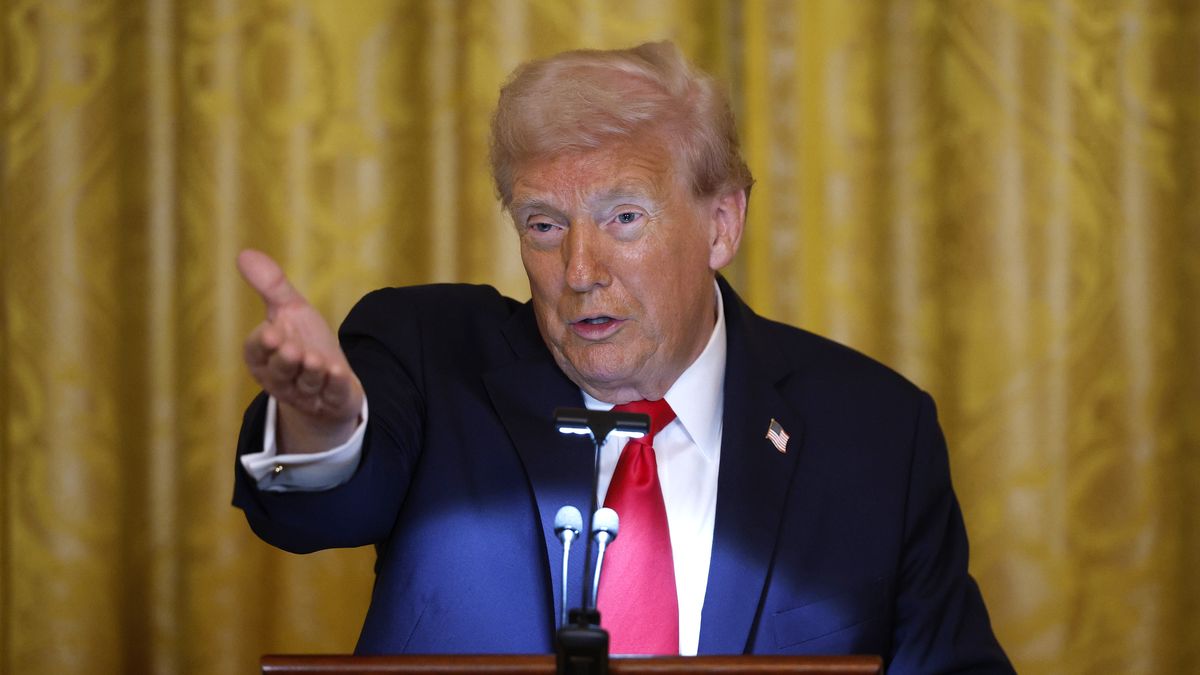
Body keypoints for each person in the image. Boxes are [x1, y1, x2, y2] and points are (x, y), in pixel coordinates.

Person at [233, 41, 1013, 672]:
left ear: (722, 225)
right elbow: (313, 510)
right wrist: (323, 427)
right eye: (544, 225)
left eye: (625, 217)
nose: (579, 270)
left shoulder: (875, 431)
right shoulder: (432, 355)